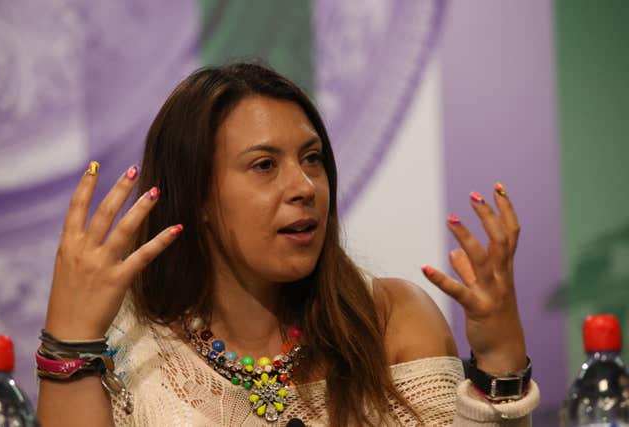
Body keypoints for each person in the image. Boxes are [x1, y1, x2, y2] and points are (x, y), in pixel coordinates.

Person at [36, 63, 539, 426]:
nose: (304, 186)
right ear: (198, 198)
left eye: (313, 158)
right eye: (264, 165)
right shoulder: (133, 349)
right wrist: (69, 338)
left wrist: (499, 358)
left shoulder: (392, 321)